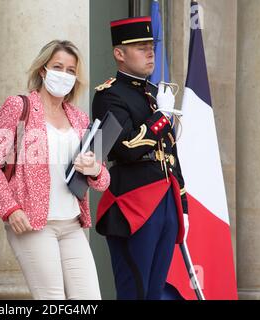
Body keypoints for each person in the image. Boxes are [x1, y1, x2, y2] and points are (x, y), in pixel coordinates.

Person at [0, 40, 110, 300]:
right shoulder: (18, 107)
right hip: (33, 225)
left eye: (71, 71)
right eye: (58, 67)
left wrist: (94, 168)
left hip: (72, 224)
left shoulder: (79, 118)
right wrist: (10, 209)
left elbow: (102, 181)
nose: (64, 75)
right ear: (43, 70)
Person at [92, 16, 189, 300]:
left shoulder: (154, 93)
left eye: (151, 46)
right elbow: (125, 147)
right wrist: (161, 117)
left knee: (157, 291)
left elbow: (171, 153)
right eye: (140, 47)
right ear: (119, 54)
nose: (150, 52)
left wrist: (182, 203)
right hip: (134, 201)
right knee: (135, 289)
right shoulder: (109, 95)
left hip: (166, 200)